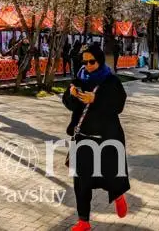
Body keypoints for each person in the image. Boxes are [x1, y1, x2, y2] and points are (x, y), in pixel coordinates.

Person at [63, 45, 130, 230]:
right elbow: (69, 104)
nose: (88, 65)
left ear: (99, 60)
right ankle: (83, 221)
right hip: (84, 139)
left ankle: (118, 195)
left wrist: (96, 100)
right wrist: (72, 95)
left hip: (107, 138)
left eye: (91, 61)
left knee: (112, 175)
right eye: (84, 62)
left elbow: (118, 105)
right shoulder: (79, 79)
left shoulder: (111, 80)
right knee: (81, 182)